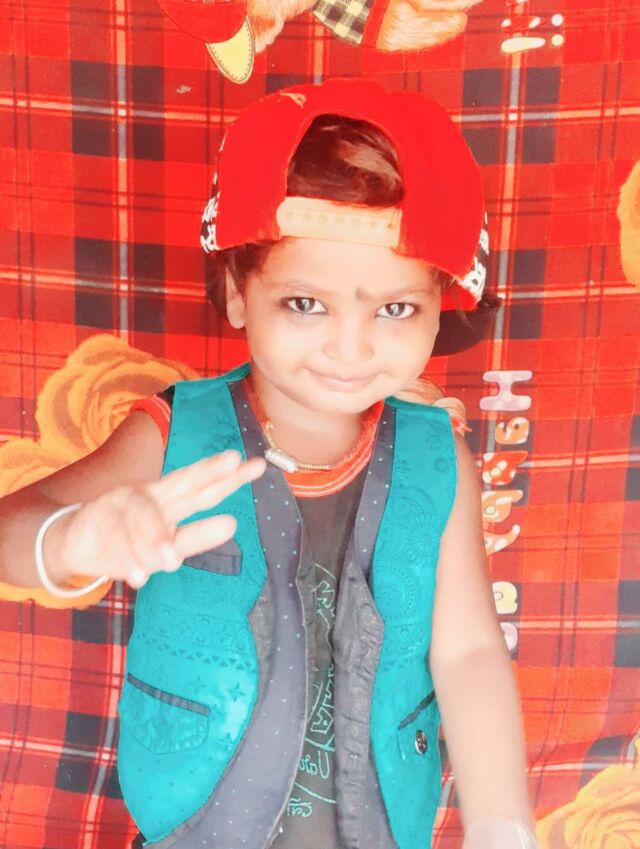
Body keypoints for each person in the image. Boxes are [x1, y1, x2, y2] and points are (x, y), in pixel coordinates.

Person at [0, 78, 538, 849]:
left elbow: (469, 650)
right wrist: (70, 540)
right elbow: (10, 531)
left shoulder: (436, 455)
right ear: (237, 290)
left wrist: (503, 827)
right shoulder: (171, 435)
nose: (350, 347)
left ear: (439, 305)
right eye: (306, 303)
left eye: (394, 309)